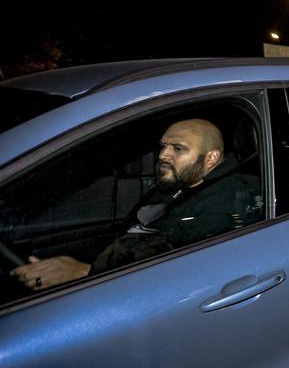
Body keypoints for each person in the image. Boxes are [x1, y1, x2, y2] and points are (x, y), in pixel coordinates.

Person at [10, 119, 262, 290]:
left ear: (212, 158)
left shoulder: (222, 205)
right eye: (163, 146)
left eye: (178, 148)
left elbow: (176, 277)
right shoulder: (179, 185)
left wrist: (85, 273)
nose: (163, 154)